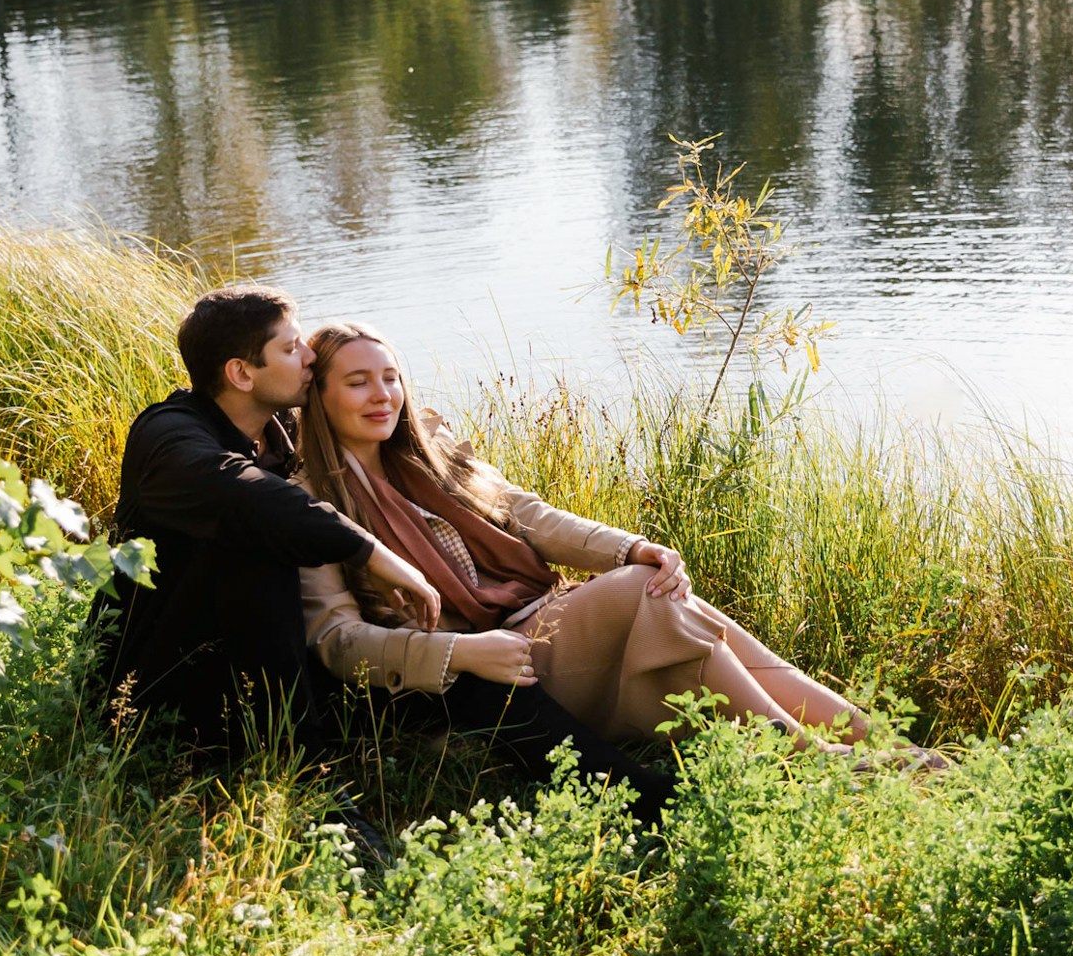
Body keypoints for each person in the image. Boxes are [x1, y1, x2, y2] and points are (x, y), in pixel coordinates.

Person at [99, 288, 676, 817]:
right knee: (268, 549)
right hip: (175, 682)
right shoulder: (169, 435)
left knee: (469, 679)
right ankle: (315, 788)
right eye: (290, 346)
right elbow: (252, 499)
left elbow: (512, 505)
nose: (307, 356)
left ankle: (637, 791)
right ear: (240, 373)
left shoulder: (275, 433)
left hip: (285, 667)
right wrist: (374, 553)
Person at [295, 322, 885, 760]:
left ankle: (877, 743)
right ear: (318, 396)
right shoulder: (308, 503)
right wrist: (459, 653)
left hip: (539, 621)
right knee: (644, 594)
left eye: (391, 377)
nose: (383, 396)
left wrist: (631, 546)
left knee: (674, 602)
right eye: (358, 382)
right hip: (483, 673)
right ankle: (817, 755)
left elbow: (529, 515)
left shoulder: (430, 450)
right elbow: (338, 640)